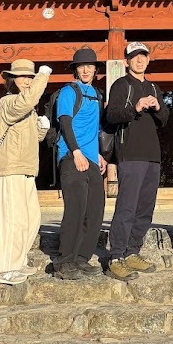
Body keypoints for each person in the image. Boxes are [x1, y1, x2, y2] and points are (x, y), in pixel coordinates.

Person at [104, 41, 169, 281]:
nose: (140, 60)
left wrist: (158, 106)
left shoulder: (153, 86)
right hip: (130, 154)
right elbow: (111, 116)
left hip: (152, 155)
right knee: (127, 207)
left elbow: (164, 119)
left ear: (148, 59)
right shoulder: (121, 85)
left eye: (143, 56)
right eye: (135, 57)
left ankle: (132, 251)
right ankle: (116, 256)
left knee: (145, 209)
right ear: (127, 61)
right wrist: (136, 107)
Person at [0, 59, 52, 286]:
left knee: (30, 218)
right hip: (11, 167)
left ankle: (18, 260)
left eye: (30, 76)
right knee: (12, 219)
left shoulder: (27, 107)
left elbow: (33, 138)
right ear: (12, 80)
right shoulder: (8, 102)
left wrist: (41, 129)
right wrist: (42, 77)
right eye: (22, 77)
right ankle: (6, 269)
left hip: (27, 168)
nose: (27, 81)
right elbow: (26, 102)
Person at [53, 47, 107, 279]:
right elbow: (65, 122)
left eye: (89, 66)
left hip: (92, 159)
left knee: (95, 211)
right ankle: (64, 262)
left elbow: (96, 128)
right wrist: (75, 152)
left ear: (95, 69)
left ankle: (82, 258)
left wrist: (100, 154)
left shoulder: (96, 94)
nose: (85, 70)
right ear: (75, 70)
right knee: (75, 209)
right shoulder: (69, 91)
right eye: (81, 66)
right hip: (71, 156)